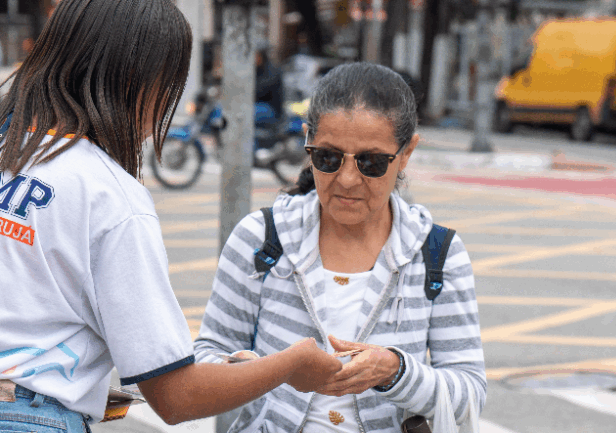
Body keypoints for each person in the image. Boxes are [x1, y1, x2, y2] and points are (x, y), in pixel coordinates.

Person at [0, 1, 342, 432]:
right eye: (169, 87)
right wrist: (290, 365)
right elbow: (175, 397)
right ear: (140, 83)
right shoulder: (108, 194)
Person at [194, 62, 486, 432]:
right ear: (307, 144)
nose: (347, 179)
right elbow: (206, 359)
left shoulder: (438, 253)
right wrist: (266, 370)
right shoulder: (261, 238)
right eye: (328, 158)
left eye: (371, 162)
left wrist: (395, 371)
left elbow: (469, 395)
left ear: (406, 152)